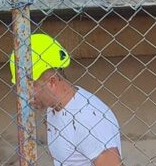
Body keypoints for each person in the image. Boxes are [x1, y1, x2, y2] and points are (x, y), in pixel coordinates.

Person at [9, 34, 123, 166]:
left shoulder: (88, 119)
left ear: (52, 82)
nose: (24, 96)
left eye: (29, 87)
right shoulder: (55, 107)